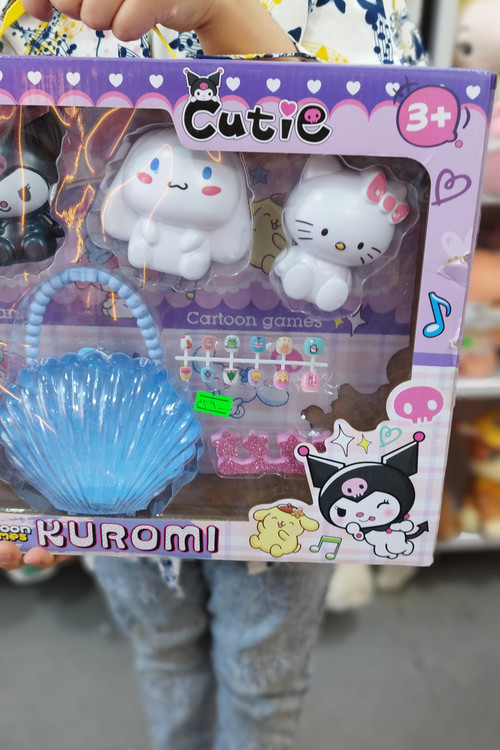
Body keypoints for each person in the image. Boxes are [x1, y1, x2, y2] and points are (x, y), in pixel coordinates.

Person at [0, 2, 426, 749]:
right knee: (164, 653)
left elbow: (411, 154)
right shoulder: (32, 23)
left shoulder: (355, 16)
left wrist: (232, 23)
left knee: (261, 677)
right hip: (102, 457)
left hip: (281, 466)